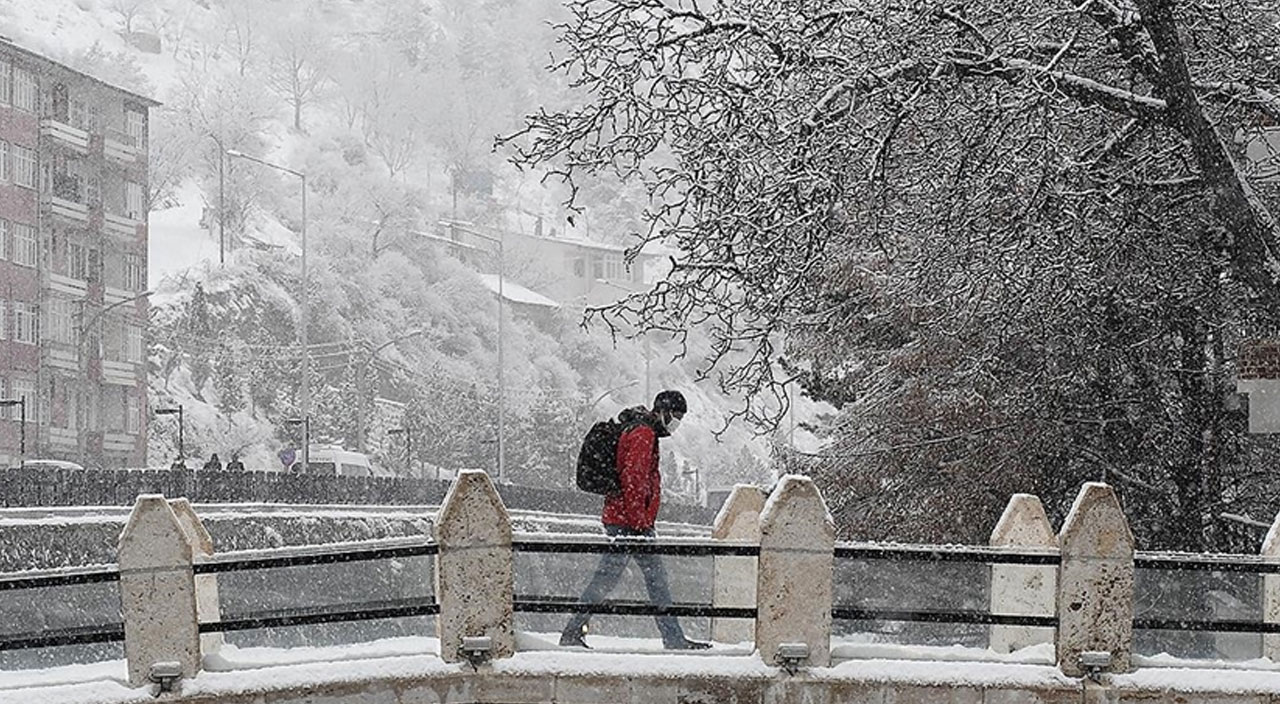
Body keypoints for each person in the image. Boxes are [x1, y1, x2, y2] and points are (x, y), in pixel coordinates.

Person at [560, 390, 711, 650]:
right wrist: (639, 521)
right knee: (639, 581)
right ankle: (671, 638)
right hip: (629, 523)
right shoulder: (643, 433)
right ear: (662, 411)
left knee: (624, 579)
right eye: (675, 416)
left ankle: (575, 631)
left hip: (627, 520)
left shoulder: (641, 430)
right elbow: (634, 480)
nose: (676, 422)